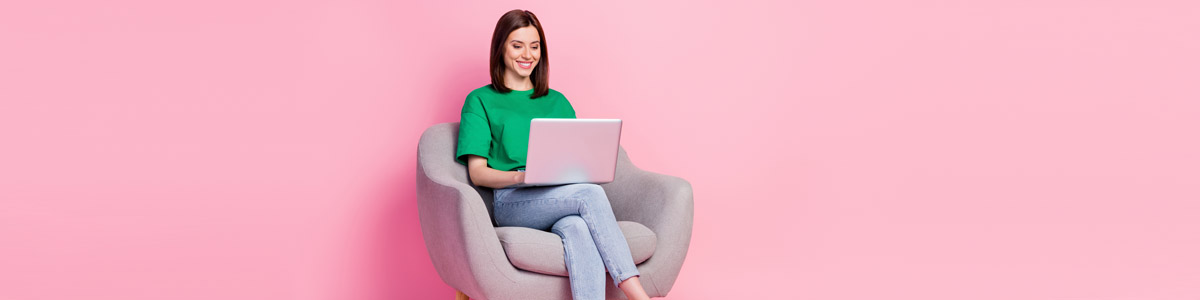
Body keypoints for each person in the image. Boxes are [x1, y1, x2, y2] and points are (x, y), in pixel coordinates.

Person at [454, 9, 652, 300]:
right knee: (590, 195)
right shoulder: (480, 100)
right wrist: (522, 176)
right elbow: (477, 173)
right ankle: (638, 295)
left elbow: (574, 158)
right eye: (517, 45)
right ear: (500, 48)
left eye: (535, 47)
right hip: (513, 202)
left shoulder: (557, 101)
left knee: (578, 228)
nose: (527, 55)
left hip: (561, 199)